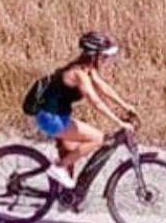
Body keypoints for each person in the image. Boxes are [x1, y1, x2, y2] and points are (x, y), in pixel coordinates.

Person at [26, 31, 138, 191]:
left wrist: (125, 105)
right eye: (104, 56)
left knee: (71, 154)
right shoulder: (78, 74)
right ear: (94, 55)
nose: (106, 60)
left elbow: (103, 88)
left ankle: (64, 197)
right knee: (97, 138)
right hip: (51, 118)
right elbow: (96, 102)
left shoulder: (87, 69)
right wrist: (119, 122)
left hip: (59, 115)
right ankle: (56, 168)